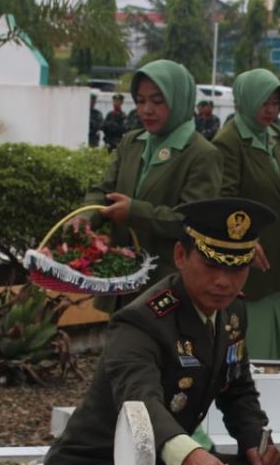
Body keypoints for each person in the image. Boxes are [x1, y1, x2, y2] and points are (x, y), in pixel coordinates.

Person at [44, 197, 280, 465]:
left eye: (236, 268)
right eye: (212, 265)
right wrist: (191, 456)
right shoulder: (141, 322)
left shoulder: (233, 312)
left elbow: (237, 389)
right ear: (180, 256)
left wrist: (257, 445)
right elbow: (140, 402)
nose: (224, 281)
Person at [81, 61, 222, 312]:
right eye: (140, 100)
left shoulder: (201, 154)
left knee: (156, 351)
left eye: (157, 101)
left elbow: (191, 222)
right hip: (121, 282)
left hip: (165, 288)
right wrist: (85, 218)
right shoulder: (132, 142)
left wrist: (134, 212)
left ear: (179, 100)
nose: (146, 110)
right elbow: (104, 190)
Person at [214, 69, 280, 360]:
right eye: (264, 103)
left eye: (276, 103)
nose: (271, 110)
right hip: (249, 258)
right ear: (247, 100)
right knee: (252, 342)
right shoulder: (230, 141)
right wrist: (244, 242)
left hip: (278, 254)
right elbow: (224, 201)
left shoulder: (276, 136)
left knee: (278, 337)